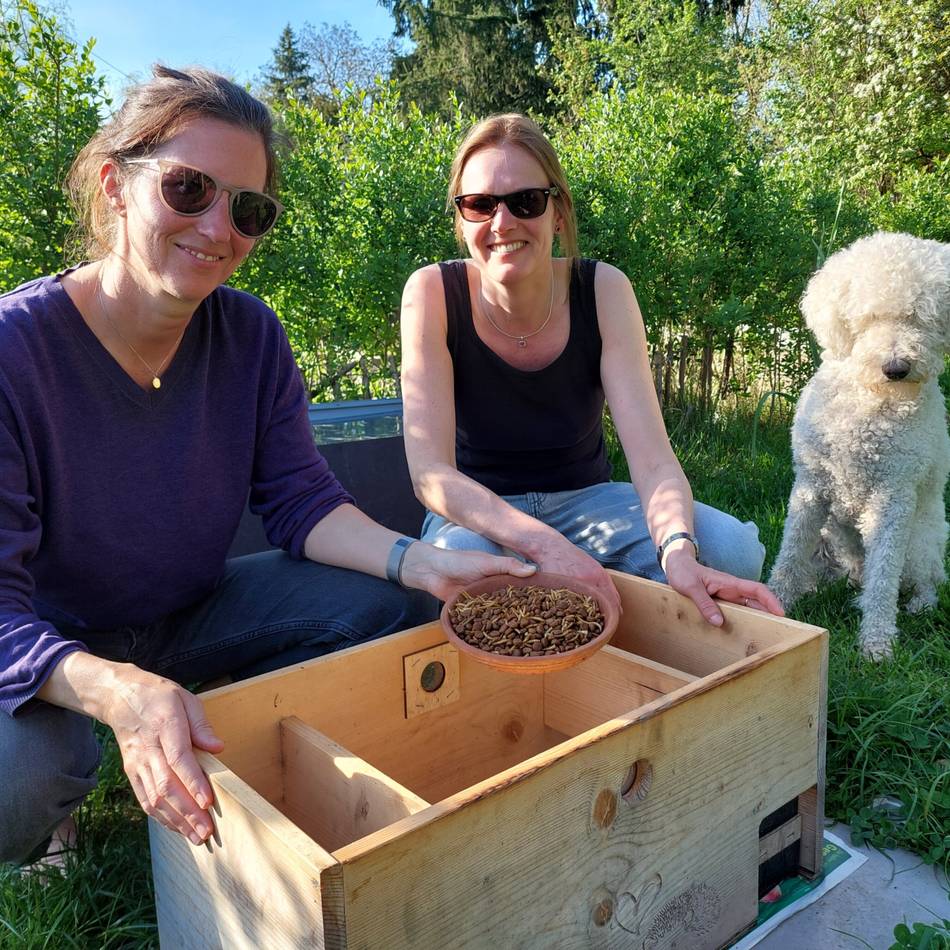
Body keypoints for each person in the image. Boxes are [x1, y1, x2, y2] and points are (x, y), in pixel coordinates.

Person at [0, 68, 534, 867]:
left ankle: (220, 725)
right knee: (21, 774)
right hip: (56, 643)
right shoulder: (16, 351)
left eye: (247, 210)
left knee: (391, 608)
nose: (218, 228)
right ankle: (60, 811)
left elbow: (301, 500)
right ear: (115, 185)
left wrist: (420, 562)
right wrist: (117, 690)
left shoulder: (249, 336)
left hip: (192, 609)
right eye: (188, 189)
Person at [400, 113, 782, 626]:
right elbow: (431, 477)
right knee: (461, 576)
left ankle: (586, 587)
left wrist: (677, 548)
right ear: (461, 219)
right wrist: (545, 545)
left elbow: (653, 461)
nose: (502, 222)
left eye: (526, 201)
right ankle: (582, 585)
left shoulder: (603, 289)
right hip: (480, 516)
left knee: (732, 551)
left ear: (558, 212)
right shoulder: (431, 293)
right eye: (480, 204)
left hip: (590, 502)